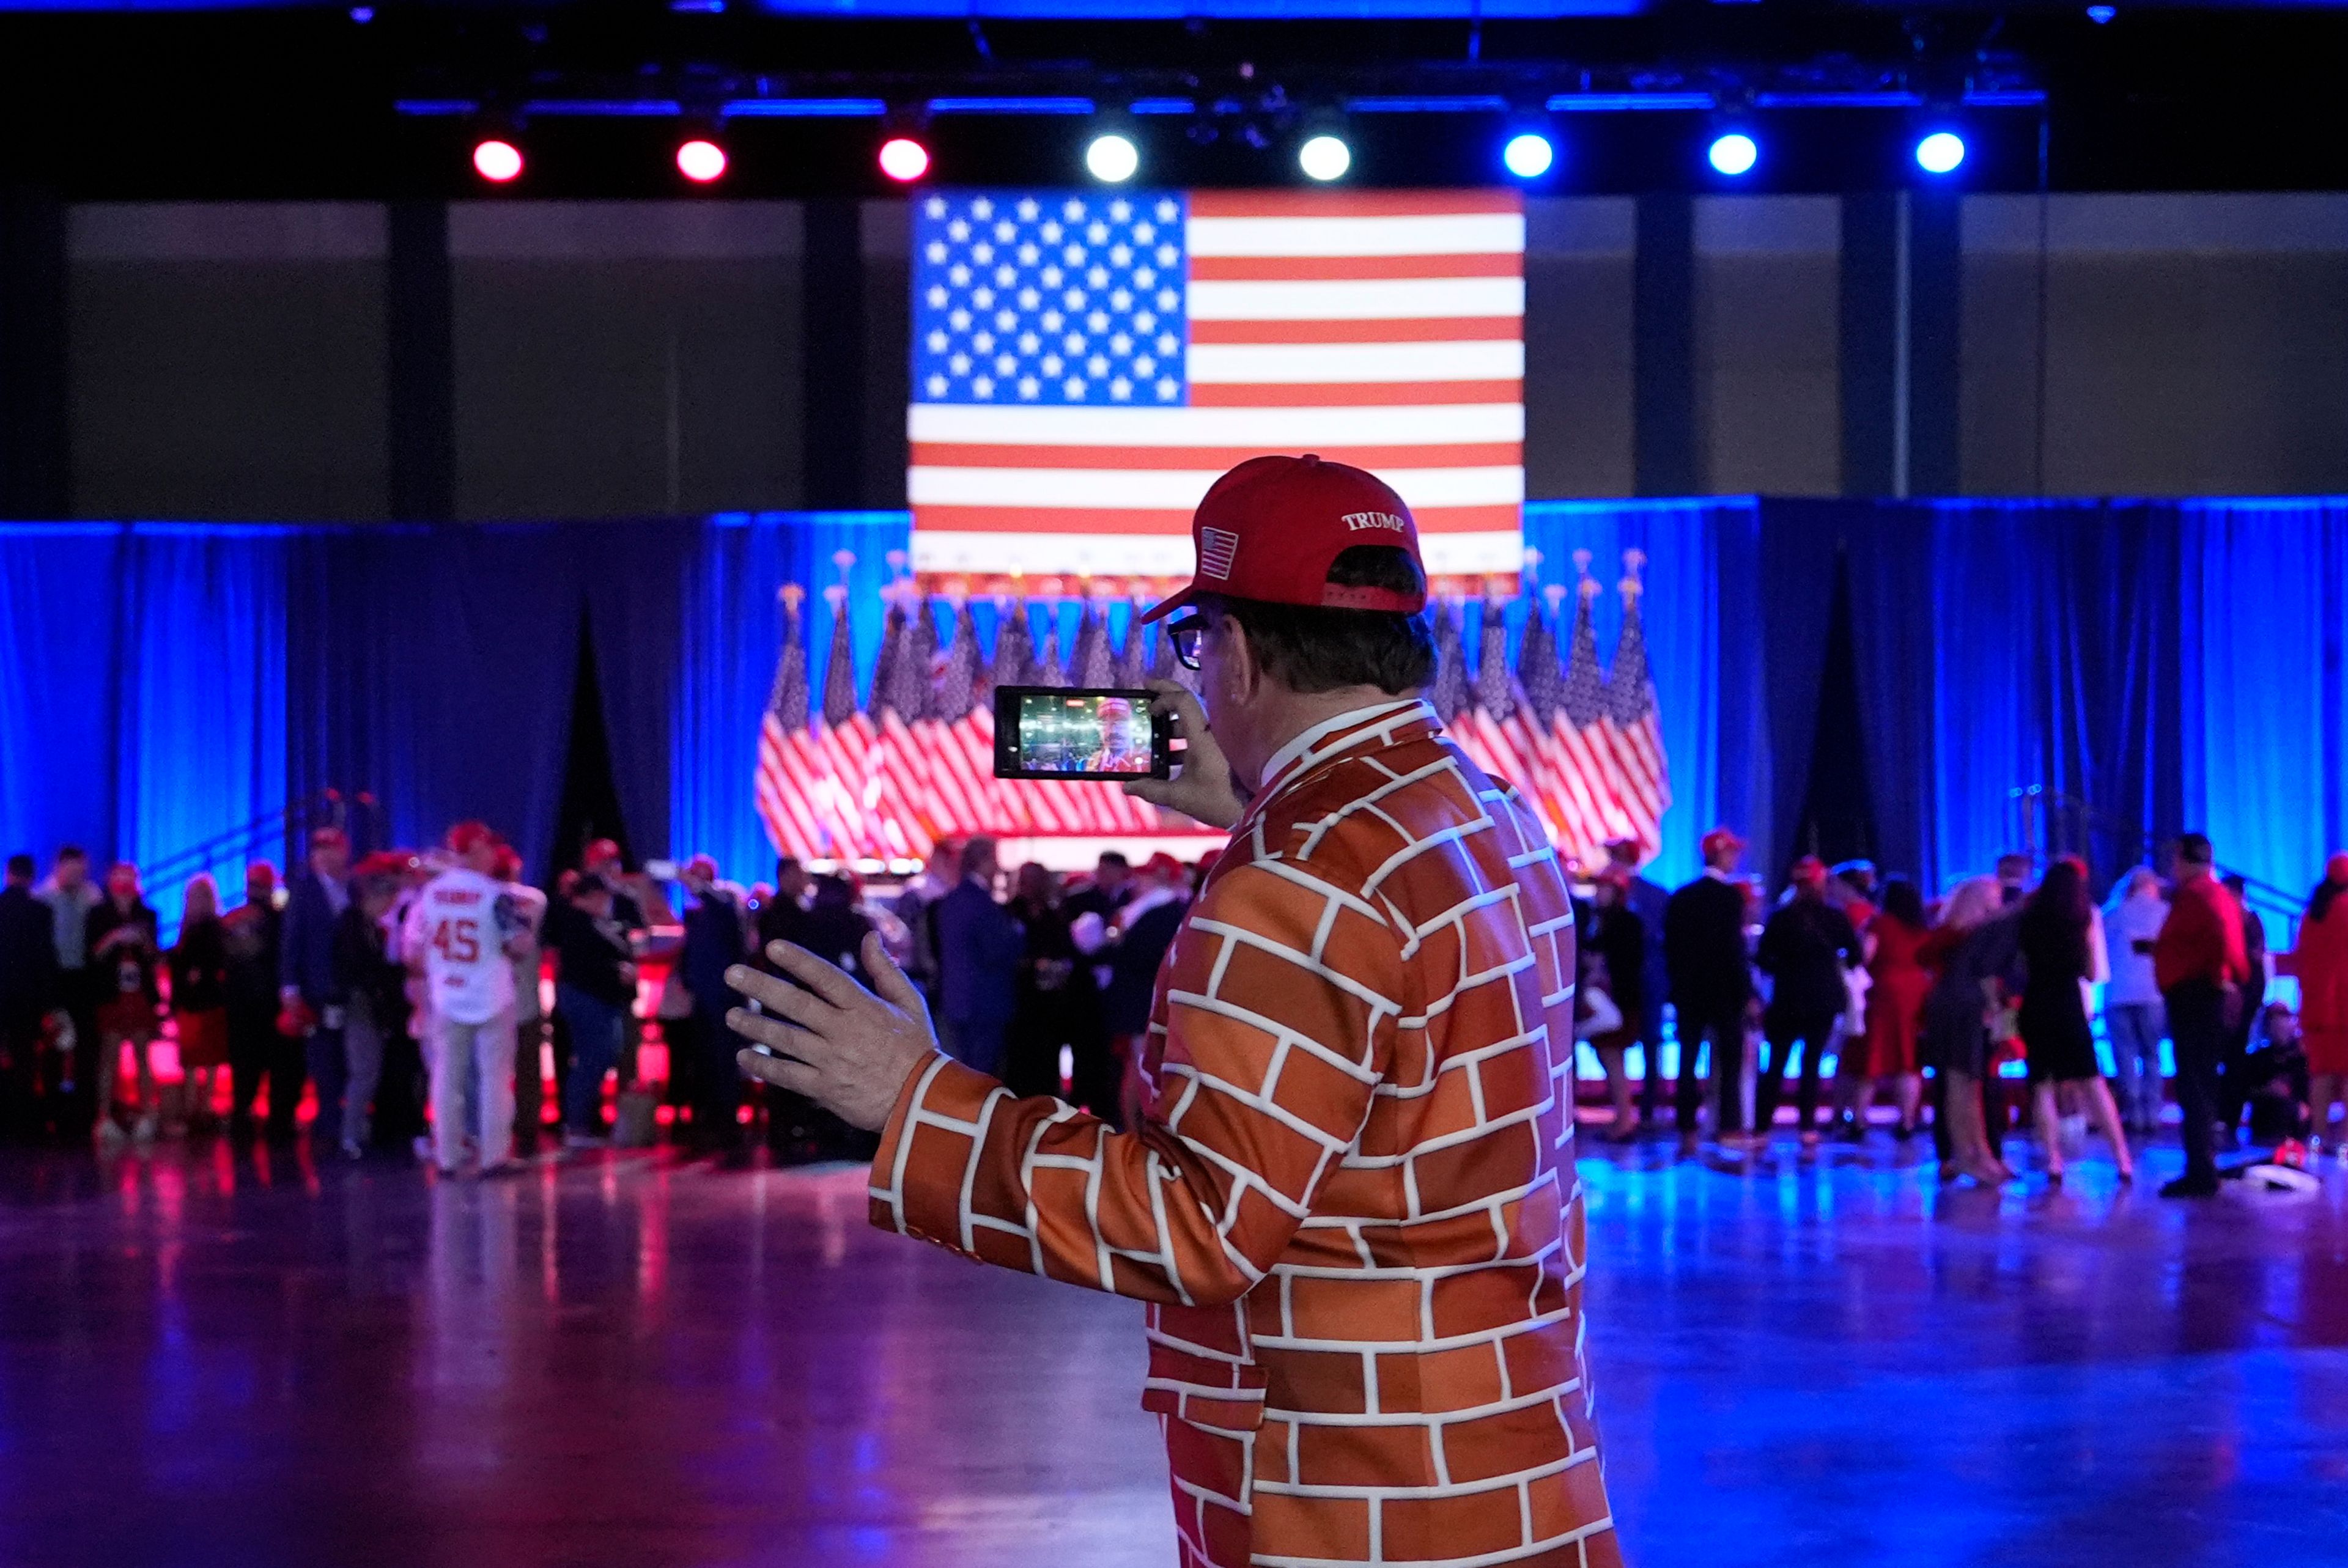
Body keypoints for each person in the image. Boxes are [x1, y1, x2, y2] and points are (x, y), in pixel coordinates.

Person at [730, 454, 1620, 1568]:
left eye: (1198, 649)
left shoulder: (1294, 879)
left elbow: (1200, 1227)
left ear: (1238, 654)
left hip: (1350, 1494)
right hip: (1514, 1462)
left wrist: (913, 1099)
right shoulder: (1493, 816)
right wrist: (1255, 806)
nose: (1197, 685)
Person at [405, 823, 530, 1176]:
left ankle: (447, 1156)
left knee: (446, 1078)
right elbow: (519, 944)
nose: (494, 856)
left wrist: (438, 968)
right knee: (494, 1079)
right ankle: (494, 1156)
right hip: (491, 995)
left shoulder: (430, 894)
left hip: (447, 996)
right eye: (489, 848)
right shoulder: (494, 895)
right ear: (476, 851)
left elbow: (411, 950)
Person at [2015, 859, 2133, 1184]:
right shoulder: (2082, 918)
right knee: (2092, 1082)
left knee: (2041, 1085)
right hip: (2068, 1004)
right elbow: (2092, 973)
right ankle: (2122, 1158)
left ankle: (2054, 1160)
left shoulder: (2030, 917)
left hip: (2036, 1004)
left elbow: (2021, 965)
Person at [2153, 832, 2250, 1198]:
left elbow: (2216, 943)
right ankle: (2201, 1167)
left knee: (2194, 1084)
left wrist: (2215, 977)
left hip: (2195, 996)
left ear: (2183, 858)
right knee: (2201, 1082)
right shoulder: (2218, 895)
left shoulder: (2197, 896)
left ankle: (2200, 1171)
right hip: (2202, 993)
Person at [1753, 856, 1863, 1146]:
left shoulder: (1780, 917)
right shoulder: (1836, 916)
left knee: (1776, 1064)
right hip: (1824, 999)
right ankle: (1807, 1128)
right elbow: (1855, 955)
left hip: (1787, 998)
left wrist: (1785, 969)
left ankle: (1762, 1128)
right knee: (1811, 1064)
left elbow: (1763, 958)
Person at [1921, 876, 2022, 1185]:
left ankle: (1972, 1155)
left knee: (1961, 1083)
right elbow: (1995, 972)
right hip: (1970, 1007)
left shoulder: (1951, 931)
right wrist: (2000, 1009)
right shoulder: (1990, 930)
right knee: (1967, 1084)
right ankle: (1973, 1156)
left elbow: (1925, 959)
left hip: (1947, 1004)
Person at [1663, 826, 1756, 1156]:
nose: (1735, 859)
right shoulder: (1732, 898)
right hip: (1724, 994)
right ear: (1720, 854)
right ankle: (1728, 1128)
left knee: (1687, 1061)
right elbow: (1735, 950)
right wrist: (1747, 993)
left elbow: (1671, 948)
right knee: (1730, 1061)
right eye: (1731, 852)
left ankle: (1687, 1130)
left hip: (1689, 992)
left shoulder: (1682, 896)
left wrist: (1676, 987)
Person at [1098, 852, 1191, 1130]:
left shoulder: (1165, 911)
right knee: (1136, 1067)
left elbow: (1147, 956)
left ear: (1161, 876)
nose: (1139, 879)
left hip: (1144, 1003)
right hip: (1136, 1002)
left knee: (1141, 1069)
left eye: (1146, 874)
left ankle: (1138, 1131)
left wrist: (1118, 945)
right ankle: (1135, 1130)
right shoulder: (1141, 908)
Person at [547, 872, 638, 1148]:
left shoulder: (601, 923)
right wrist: (616, 972)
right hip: (585, 997)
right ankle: (576, 1125)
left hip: (603, 998)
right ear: (591, 896)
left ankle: (579, 1123)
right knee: (592, 1057)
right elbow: (582, 964)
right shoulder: (575, 922)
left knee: (603, 1053)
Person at [280, 826, 352, 1149]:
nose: (326, 856)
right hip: (317, 988)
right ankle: (328, 1123)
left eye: (332, 850)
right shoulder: (304, 890)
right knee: (322, 1056)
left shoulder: (352, 889)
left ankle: (345, 1118)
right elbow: (292, 940)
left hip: (349, 987)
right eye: (321, 851)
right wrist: (290, 987)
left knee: (347, 1055)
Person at [674, 856, 751, 1155]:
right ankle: (707, 1123)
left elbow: (726, 909)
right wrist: (686, 979)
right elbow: (691, 950)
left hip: (724, 997)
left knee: (723, 1060)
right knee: (705, 1061)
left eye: (700, 877)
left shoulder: (726, 900)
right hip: (703, 999)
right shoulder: (698, 912)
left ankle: (728, 1126)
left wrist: (698, 886)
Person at [335, 856, 410, 1158]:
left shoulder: (365, 926)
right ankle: (350, 1135)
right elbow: (357, 969)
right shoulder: (353, 926)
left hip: (368, 1010)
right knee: (364, 1073)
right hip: (361, 1011)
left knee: (367, 1072)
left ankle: (355, 1132)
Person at [931, 837, 1022, 1078]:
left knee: (961, 1074)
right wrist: (1017, 934)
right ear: (984, 861)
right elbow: (997, 951)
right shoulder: (982, 903)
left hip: (956, 1001)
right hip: (985, 1004)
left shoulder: (951, 901)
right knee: (981, 1078)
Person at [87, 862, 163, 1144]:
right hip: (111, 992)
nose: (125, 884)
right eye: (120, 878)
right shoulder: (98, 915)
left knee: (143, 1055)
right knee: (110, 1055)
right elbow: (92, 955)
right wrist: (114, 939)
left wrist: (143, 943)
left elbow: (155, 956)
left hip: (139, 992)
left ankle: (147, 1115)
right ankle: (105, 1117)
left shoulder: (147, 914)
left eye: (130, 879)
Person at [1850, 877, 1932, 1138]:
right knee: (1908, 1061)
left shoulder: (1880, 924)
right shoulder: (1921, 927)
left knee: (1872, 1059)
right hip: (1916, 992)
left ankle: (1859, 1121)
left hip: (1885, 993)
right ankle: (1907, 1121)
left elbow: (1865, 956)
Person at [1604, 840, 1674, 1129]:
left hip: (1635, 982)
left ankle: (1638, 1110)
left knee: (1635, 1042)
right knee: (1642, 1043)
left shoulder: (1638, 895)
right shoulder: (1658, 894)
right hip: (1644, 981)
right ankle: (1639, 1110)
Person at [34, 847, 102, 1132]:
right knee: (54, 1044)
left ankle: (83, 1110)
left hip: (84, 979)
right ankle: (52, 1108)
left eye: (81, 871)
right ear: (58, 868)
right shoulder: (43, 899)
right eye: (72, 870)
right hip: (55, 978)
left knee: (87, 1044)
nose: (78, 876)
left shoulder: (92, 896)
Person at [221, 862, 288, 1141]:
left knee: (248, 1066)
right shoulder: (278, 919)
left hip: (247, 1003)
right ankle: (271, 1121)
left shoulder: (233, 919)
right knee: (271, 1064)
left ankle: (245, 1116)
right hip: (263, 1001)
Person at [2103, 867, 2172, 1135]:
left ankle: (2133, 1113)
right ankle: (2153, 1114)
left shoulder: (2112, 914)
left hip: (2118, 994)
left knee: (2125, 1055)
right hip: (2153, 993)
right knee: (2152, 1055)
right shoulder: (2166, 913)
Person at [1582, 864, 1649, 1141]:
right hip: (1616, 1002)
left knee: (1614, 1061)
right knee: (1611, 1061)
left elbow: (1623, 964)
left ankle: (1624, 1121)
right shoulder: (1604, 921)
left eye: (1604, 888)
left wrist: (1597, 963)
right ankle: (1623, 1118)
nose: (1599, 893)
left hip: (1620, 1002)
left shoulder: (1624, 922)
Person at [493, 846, 550, 1152]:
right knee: (527, 1067)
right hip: (523, 990)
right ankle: (527, 1127)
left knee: (493, 1070)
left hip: (492, 993)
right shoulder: (535, 898)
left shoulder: (485, 896)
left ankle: (494, 1127)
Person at [2292, 854, 2348, 1152]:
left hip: (2318, 1008)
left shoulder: (2312, 914)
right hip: (2345, 1006)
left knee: (2321, 1075)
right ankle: (2346, 1141)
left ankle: (2317, 1135)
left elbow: (2303, 961)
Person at [167, 874, 232, 1133]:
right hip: (196, 1001)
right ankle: (199, 1107)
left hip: (206, 1000)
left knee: (204, 1056)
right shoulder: (196, 928)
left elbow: (212, 962)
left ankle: (200, 1108)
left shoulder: (207, 929)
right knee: (197, 1057)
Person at [0, 853, 57, 1141]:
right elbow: (46, 959)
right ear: (32, 877)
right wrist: (49, 1003)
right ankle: (23, 1121)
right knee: (25, 1059)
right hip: (28, 999)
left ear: (8, 874)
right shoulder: (41, 912)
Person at [2218, 872, 2270, 1138]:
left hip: (2240, 998)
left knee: (2234, 1056)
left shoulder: (2246, 922)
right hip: (2238, 997)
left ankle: (2228, 1116)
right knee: (2231, 1057)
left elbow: (2253, 959)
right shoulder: (2248, 922)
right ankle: (2225, 1115)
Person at [890, 839, 961, 1011]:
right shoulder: (917, 892)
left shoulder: (951, 893)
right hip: (921, 973)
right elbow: (905, 934)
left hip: (942, 974)